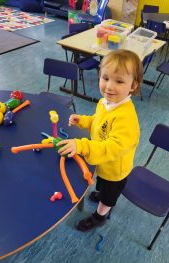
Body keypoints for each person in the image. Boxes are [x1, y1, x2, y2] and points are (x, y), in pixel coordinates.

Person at [57, 49, 143, 232]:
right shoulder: (105, 103)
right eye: (105, 78)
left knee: (109, 196)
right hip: (102, 163)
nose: (109, 87)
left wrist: (82, 145)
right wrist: (83, 121)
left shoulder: (126, 117)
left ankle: (100, 216)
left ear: (133, 86)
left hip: (115, 170)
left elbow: (113, 147)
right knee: (101, 185)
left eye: (119, 81)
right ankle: (101, 194)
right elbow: (98, 122)